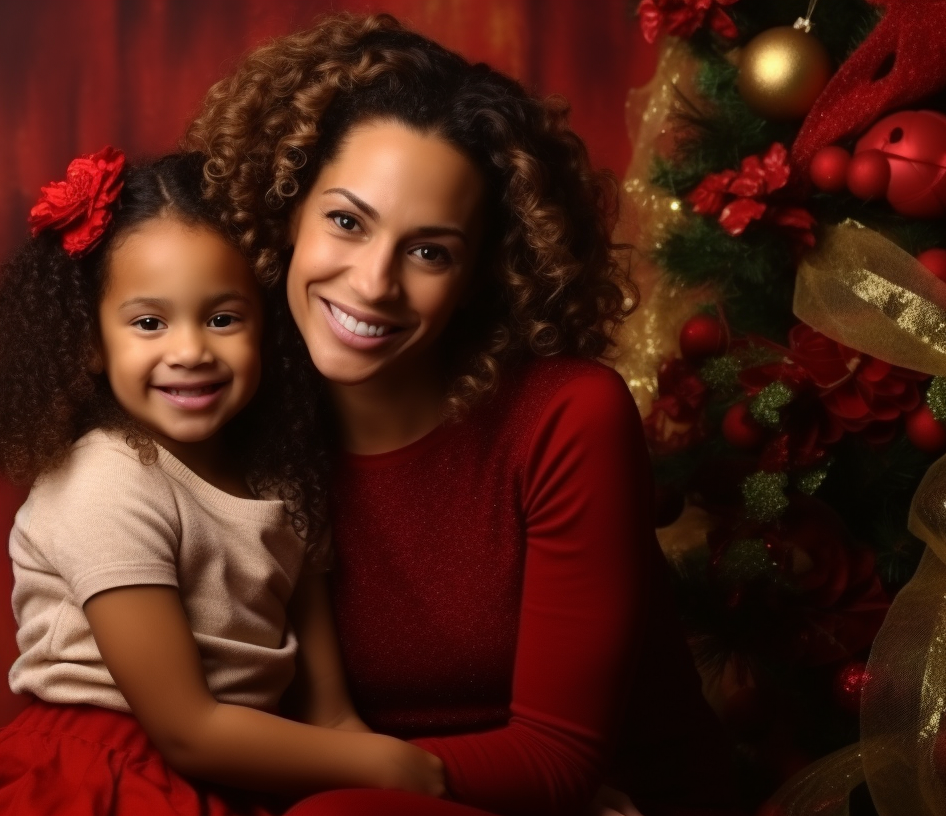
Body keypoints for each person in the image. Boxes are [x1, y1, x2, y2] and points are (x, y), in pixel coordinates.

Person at [183, 14, 743, 816]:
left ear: (484, 273)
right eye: (346, 221)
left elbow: (556, 762)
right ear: (286, 212)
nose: (374, 283)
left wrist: (311, 779)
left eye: (429, 251)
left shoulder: (564, 417)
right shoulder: (229, 411)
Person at [0, 151, 471, 815]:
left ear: (268, 330)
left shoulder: (285, 483)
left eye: (222, 318)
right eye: (149, 322)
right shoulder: (106, 480)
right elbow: (186, 728)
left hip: (243, 775)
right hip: (100, 777)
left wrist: (397, 776)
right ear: (92, 343)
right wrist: (387, 764)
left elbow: (329, 721)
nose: (189, 351)